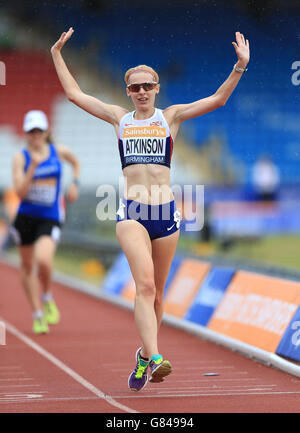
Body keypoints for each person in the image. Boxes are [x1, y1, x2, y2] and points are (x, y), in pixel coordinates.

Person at [50, 28, 250, 391]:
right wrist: (56, 54)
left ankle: (144, 357)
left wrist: (240, 66)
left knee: (158, 295)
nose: (141, 91)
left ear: (156, 88)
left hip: (166, 216)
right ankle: (157, 357)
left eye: (147, 86)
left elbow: (218, 100)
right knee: (143, 286)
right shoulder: (118, 118)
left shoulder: (170, 117)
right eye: (134, 87)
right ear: (127, 92)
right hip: (131, 213)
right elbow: (73, 93)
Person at [11, 110, 80, 334]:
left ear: (46, 131)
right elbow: (20, 193)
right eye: (31, 131)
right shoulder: (20, 158)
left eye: (39, 130)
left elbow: (75, 162)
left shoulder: (57, 151)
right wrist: (32, 168)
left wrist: (74, 183)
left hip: (50, 216)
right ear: (26, 133)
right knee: (27, 266)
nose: (36, 135)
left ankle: (47, 295)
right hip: (26, 218)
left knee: (44, 259)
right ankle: (37, 313)